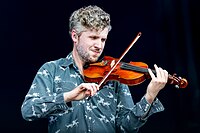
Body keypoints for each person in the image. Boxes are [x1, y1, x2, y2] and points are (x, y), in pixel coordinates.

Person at [21, 5, 169, 133]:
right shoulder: (51, 70)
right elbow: (28, 111)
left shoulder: (114, 75)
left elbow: (126, 128)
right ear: (75, 36)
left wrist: (149, 97)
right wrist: (69, 96)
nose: (99, 46)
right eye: (93, 37)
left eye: (103, 39)